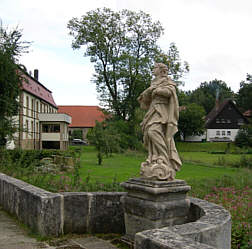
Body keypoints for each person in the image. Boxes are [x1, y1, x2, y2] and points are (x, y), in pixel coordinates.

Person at [138, 62, 181, 180]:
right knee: (148, 133)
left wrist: (156, 90)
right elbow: (147, 98)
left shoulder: (168, 81)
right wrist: (147, 93)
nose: (153, 70)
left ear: (161, 70)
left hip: (161, 111)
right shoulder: (153, 82)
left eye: (155, 68)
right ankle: (154, 157)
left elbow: (169, 92)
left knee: (153, 131)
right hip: (153, 109)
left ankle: (164, 157)